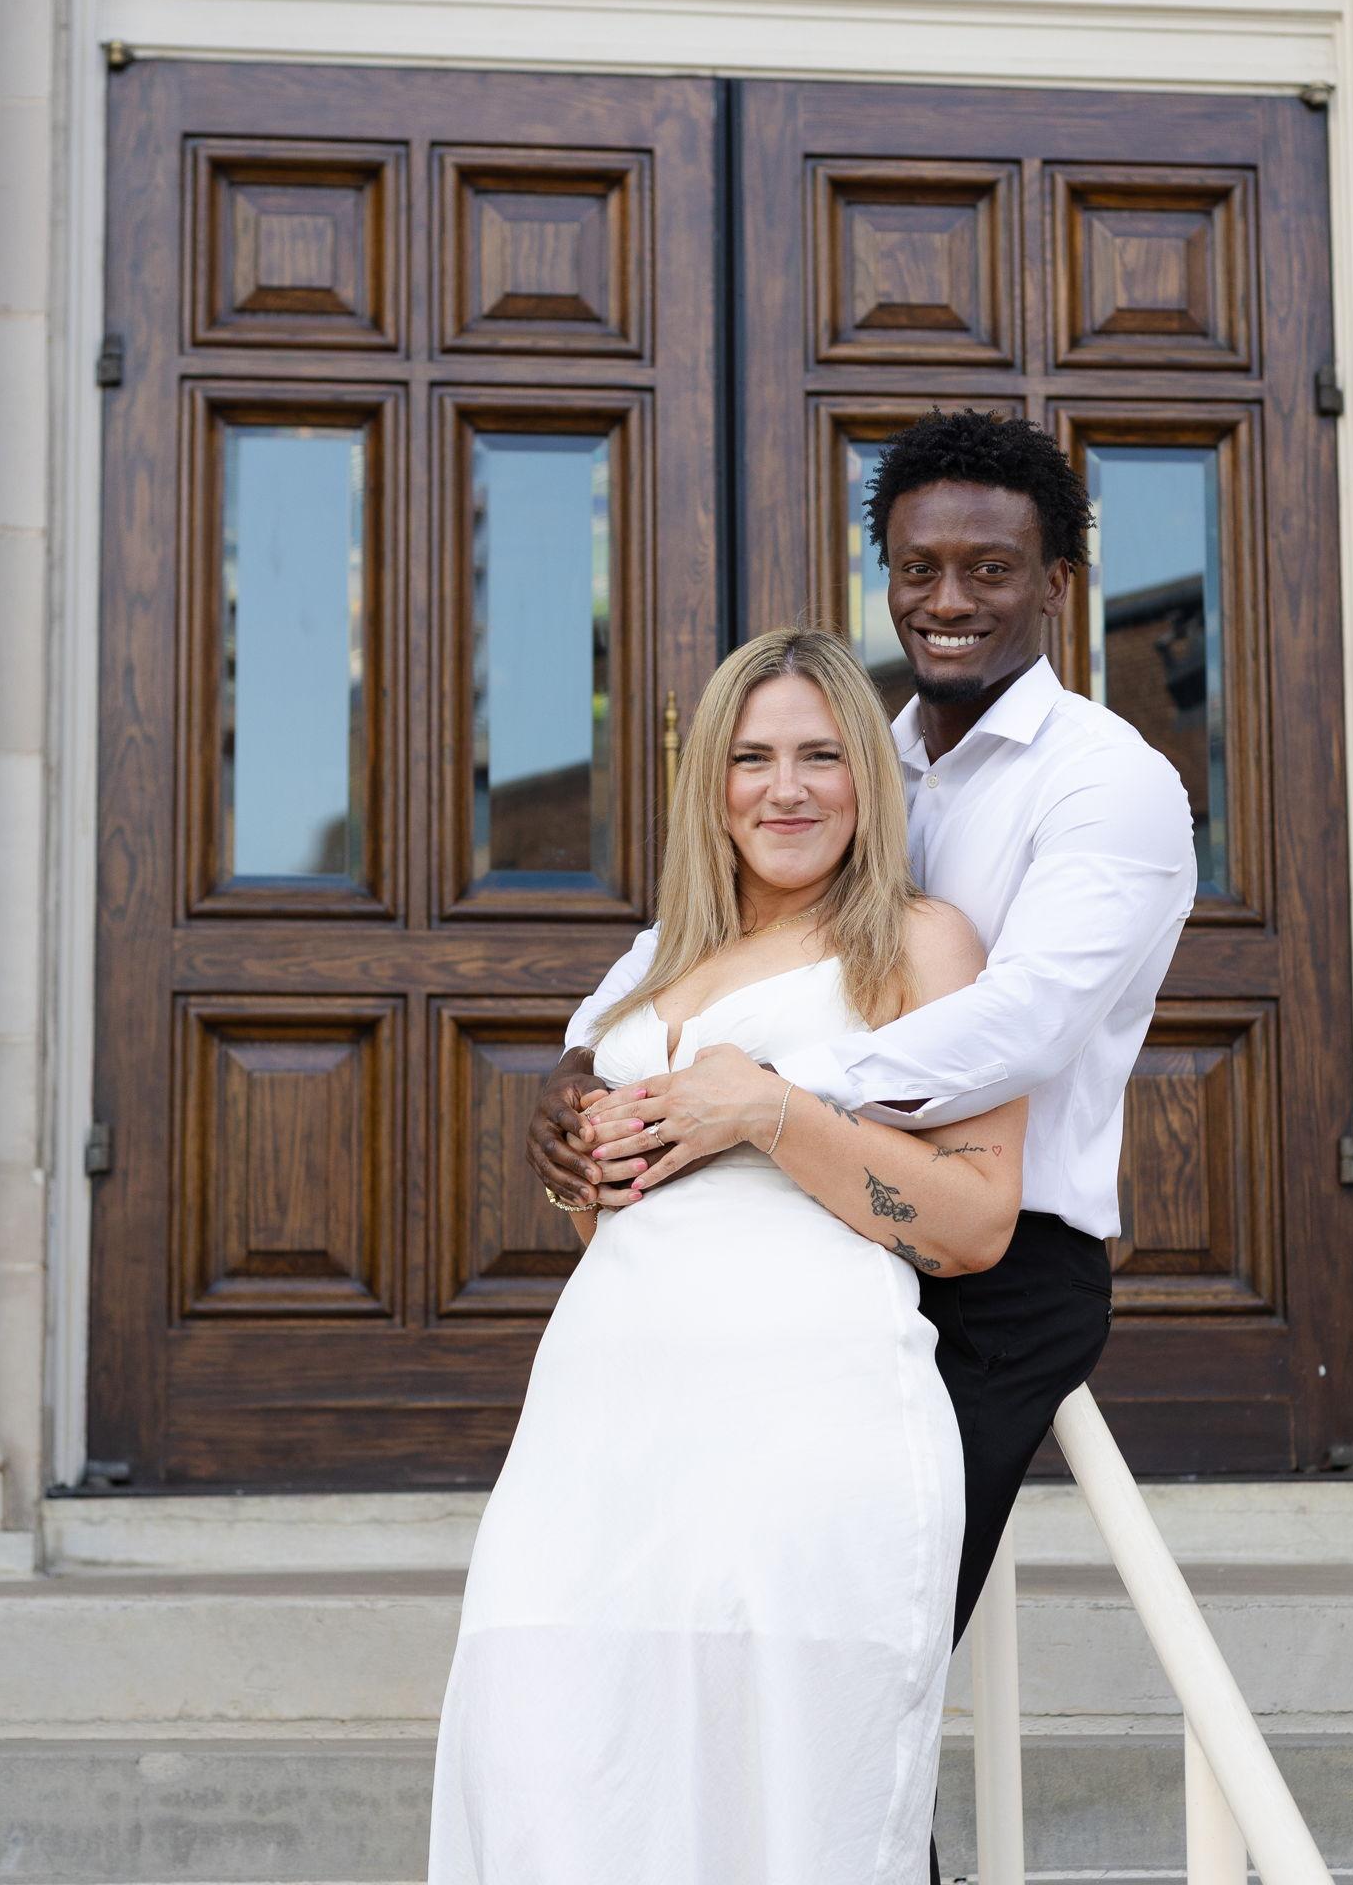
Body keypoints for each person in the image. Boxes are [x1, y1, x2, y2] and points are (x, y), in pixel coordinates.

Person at [538, 412, 1198, 1764]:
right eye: (917, 568)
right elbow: (704, 945)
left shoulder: (1108, 783)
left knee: (851, 1675)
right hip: (786, 1277)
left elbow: (1024, 1021)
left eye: (990, 569)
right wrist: (590, 1062)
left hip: (995, 1278)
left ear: (1055, 583)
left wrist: (760, 1090)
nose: (948, 599)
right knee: (735, 1673)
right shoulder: (850, 756)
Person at [428, 628, 1029, 1885]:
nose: (785, 787)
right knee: (548, 1778)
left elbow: (973, 1223)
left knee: (775, 1814)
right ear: (710, 780)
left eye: (821, 754)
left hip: (804, 1430)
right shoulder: (653, 963)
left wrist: (770, 1112)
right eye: (751, 757)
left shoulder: (921, 943)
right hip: (596, 1430)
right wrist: (581, 1162)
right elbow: (615, 1214)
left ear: (868, 776)